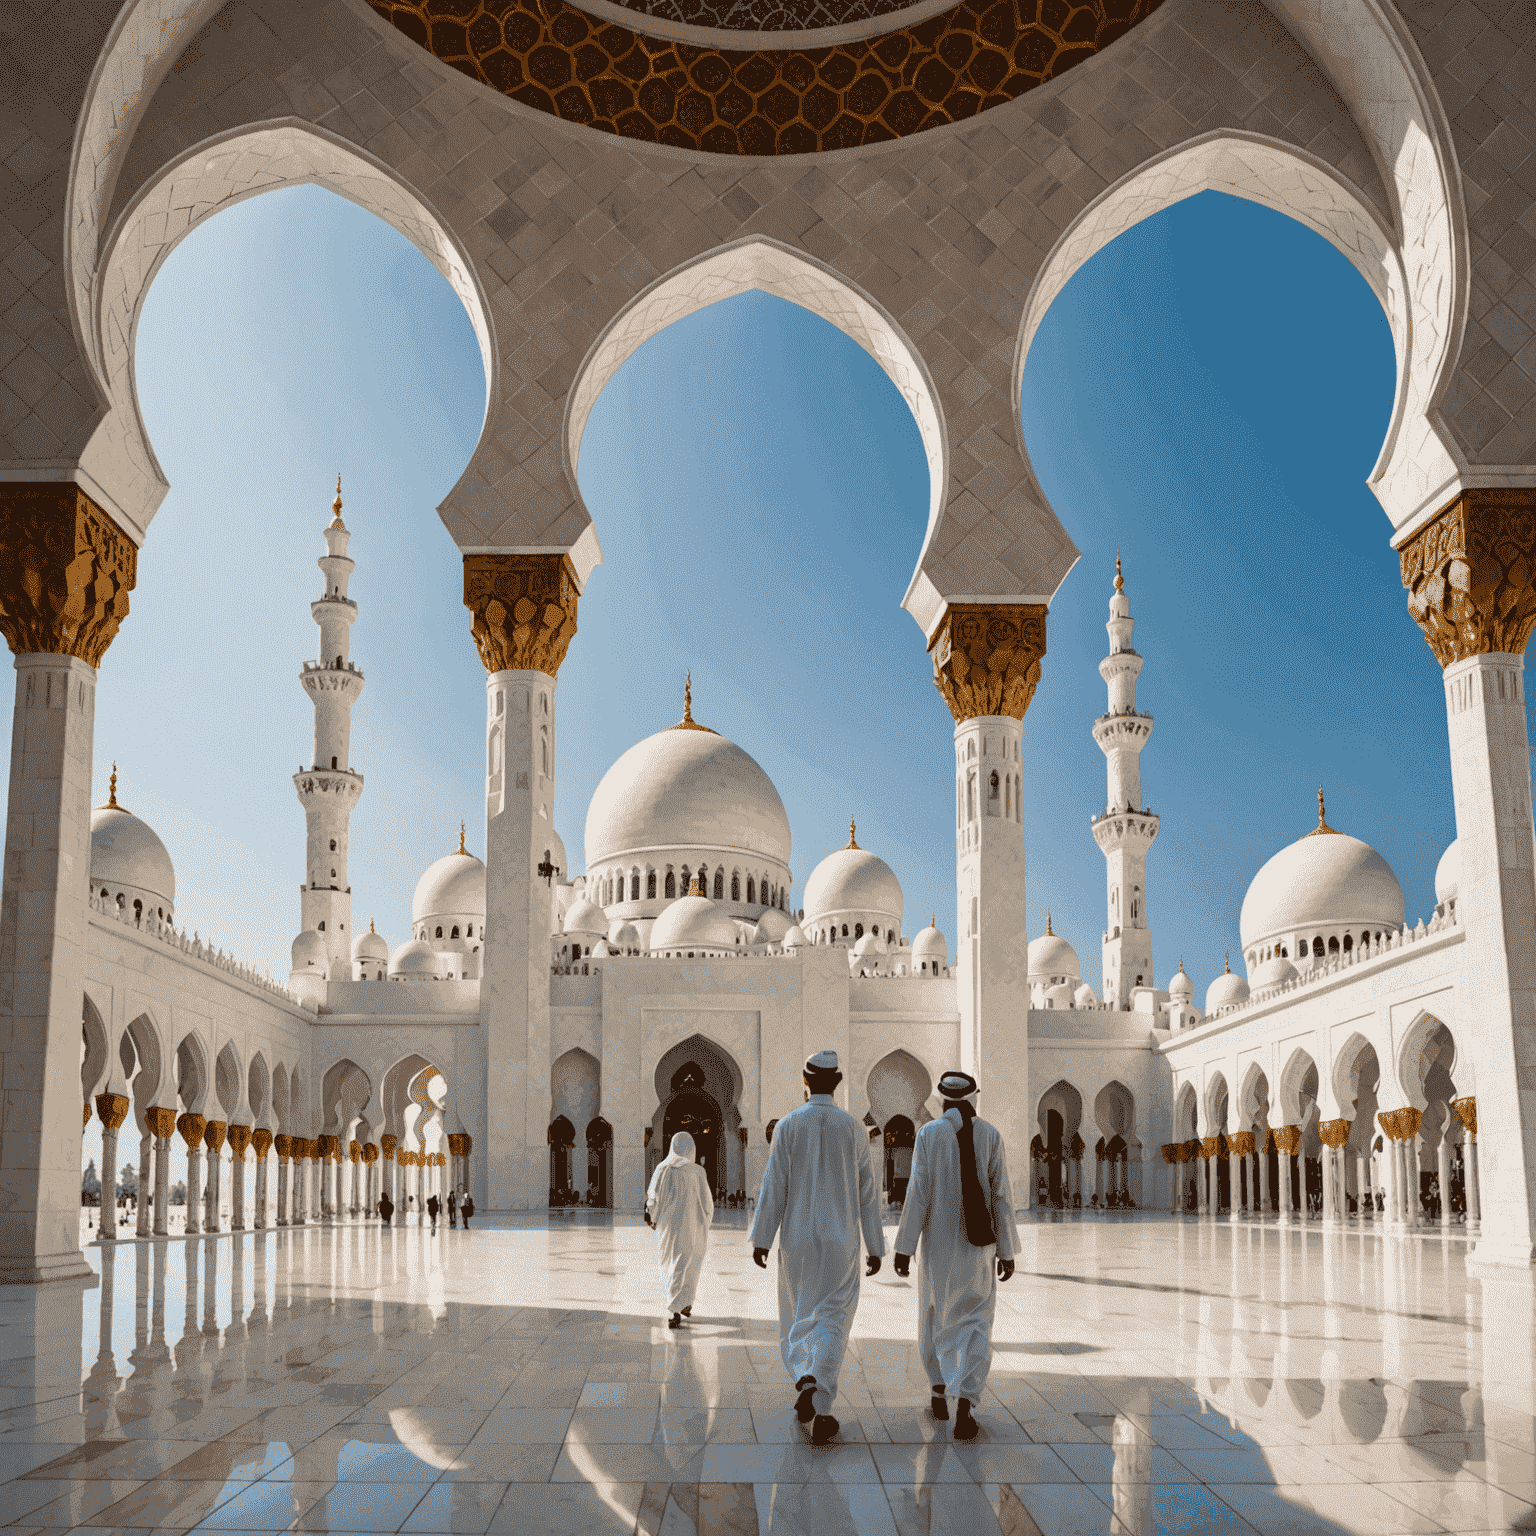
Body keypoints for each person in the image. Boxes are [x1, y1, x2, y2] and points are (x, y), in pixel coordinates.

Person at [748, 1050, 884, 1447]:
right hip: (842, 1239)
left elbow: (774, 1187)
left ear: (804, 1081)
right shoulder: (854, 1129)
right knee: (833, 1317)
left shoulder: (788, 1126)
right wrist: (876, 1245)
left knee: (799, 1312)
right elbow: (868, 1193)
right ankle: (819, 1395)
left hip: (798, 1239)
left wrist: (761, 1238)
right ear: (838, 1082)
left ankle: (808, 1380)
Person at [892, 1070, 1018, 1441]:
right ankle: (965, 1402)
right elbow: (1001, 1195)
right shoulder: (990, 1135)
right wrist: (1007, 1250)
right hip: (979, 1250)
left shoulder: (929, 1134)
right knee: (976, 1323)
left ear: (941, 1099)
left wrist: (904, 1246)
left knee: (934, 1315)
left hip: (939, 1249)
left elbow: (918, 1192)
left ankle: (937, 1393)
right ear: (973, 1098)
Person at [646, 1130, 713, 1329]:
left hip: (668, 1228)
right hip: (692, 1226)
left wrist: (653, 1217)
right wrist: (706, 1222)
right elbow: (707, 1202)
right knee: (689, 1262)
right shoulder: (697, 1171)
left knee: (672, 1264)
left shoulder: (662, 1168)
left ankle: (678, 1306)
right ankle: (681, 1305)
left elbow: (653, 1198)